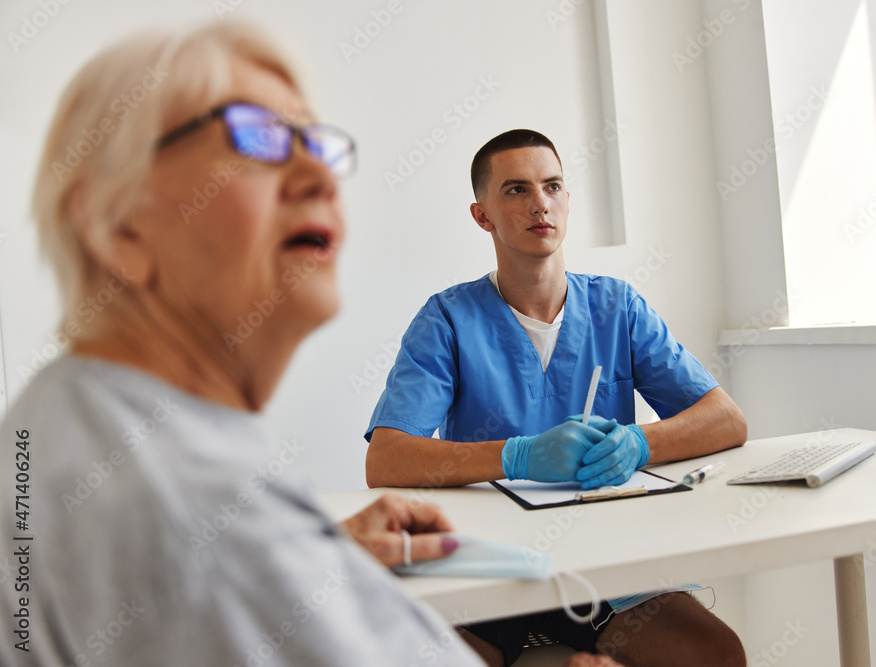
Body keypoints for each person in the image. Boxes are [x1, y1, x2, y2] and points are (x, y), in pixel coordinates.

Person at [0, 24, 622, 667]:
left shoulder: (70, 418)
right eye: (257, 138)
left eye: (315, 145)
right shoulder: (178, 496)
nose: (320, 176)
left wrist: (320, 546)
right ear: (118, 226)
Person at [365, 129, 749, 666]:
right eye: (516, 190)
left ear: (567, 199)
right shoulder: (447, 319)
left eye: (552, 186)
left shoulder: (617, 307)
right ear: (482, 216)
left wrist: (638, 443)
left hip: (604, 561)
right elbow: (387, 459)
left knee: (716, 655)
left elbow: (725, 420)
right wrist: (518, 456)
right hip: (489, 563)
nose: (540, 203)